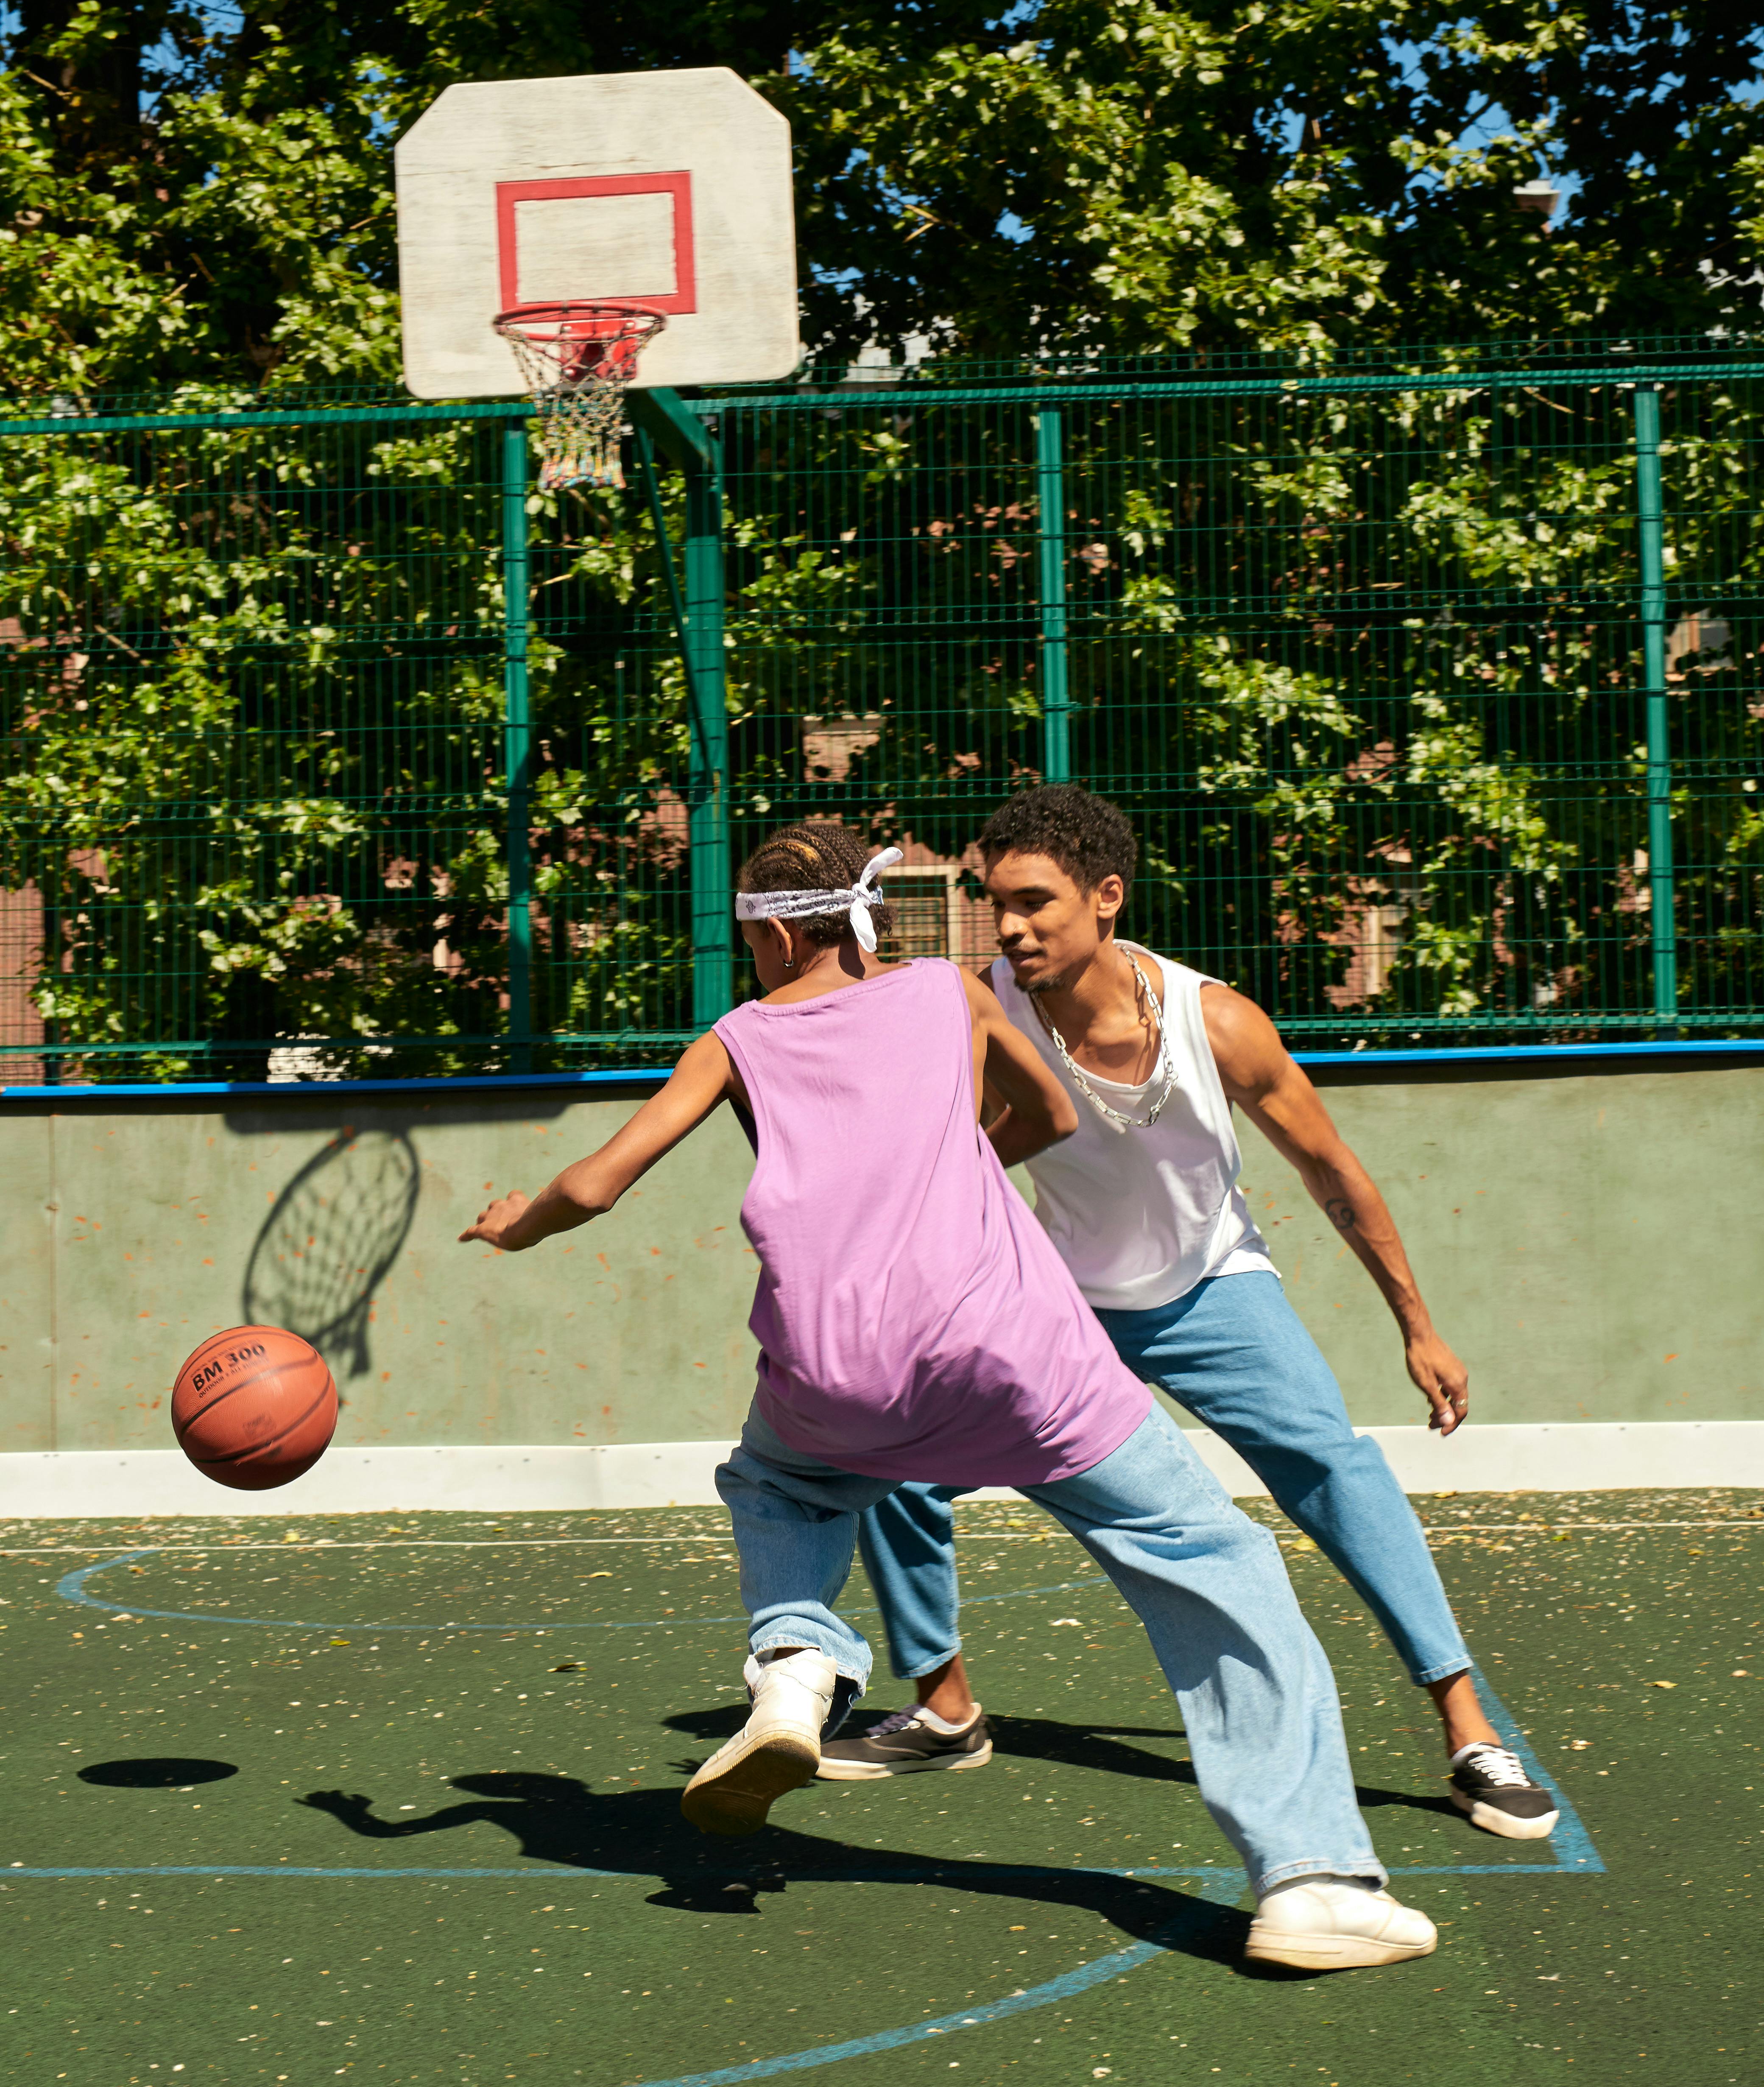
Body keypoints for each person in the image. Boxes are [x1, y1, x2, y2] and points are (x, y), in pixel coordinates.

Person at [462, 821, 1438, 1972]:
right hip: (1011, 1355)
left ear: (766, 938)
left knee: (778, 1483)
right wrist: (955, 1154)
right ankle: (1312, 1879)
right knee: (1209, 1558)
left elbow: (598, 1182)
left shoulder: (733, 1039)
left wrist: (520, 1222)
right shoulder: (943, 994)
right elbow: (1055, 1118)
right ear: (859, 918)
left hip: (831, 1372)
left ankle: (794, 1671)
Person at [820, 784, 1557, 1845]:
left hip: (1214, 1289)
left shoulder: (1214, 1020)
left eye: (1035, 902)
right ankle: (944, 1708)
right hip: (1062, 1306)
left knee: (1334, 1470)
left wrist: (1417, 1324)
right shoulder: (980, 1008)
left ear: (1106, 897)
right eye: (995, 904)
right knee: (891, 1461)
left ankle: (1469, 1734)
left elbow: (1333, 1172)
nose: (1011, 926)